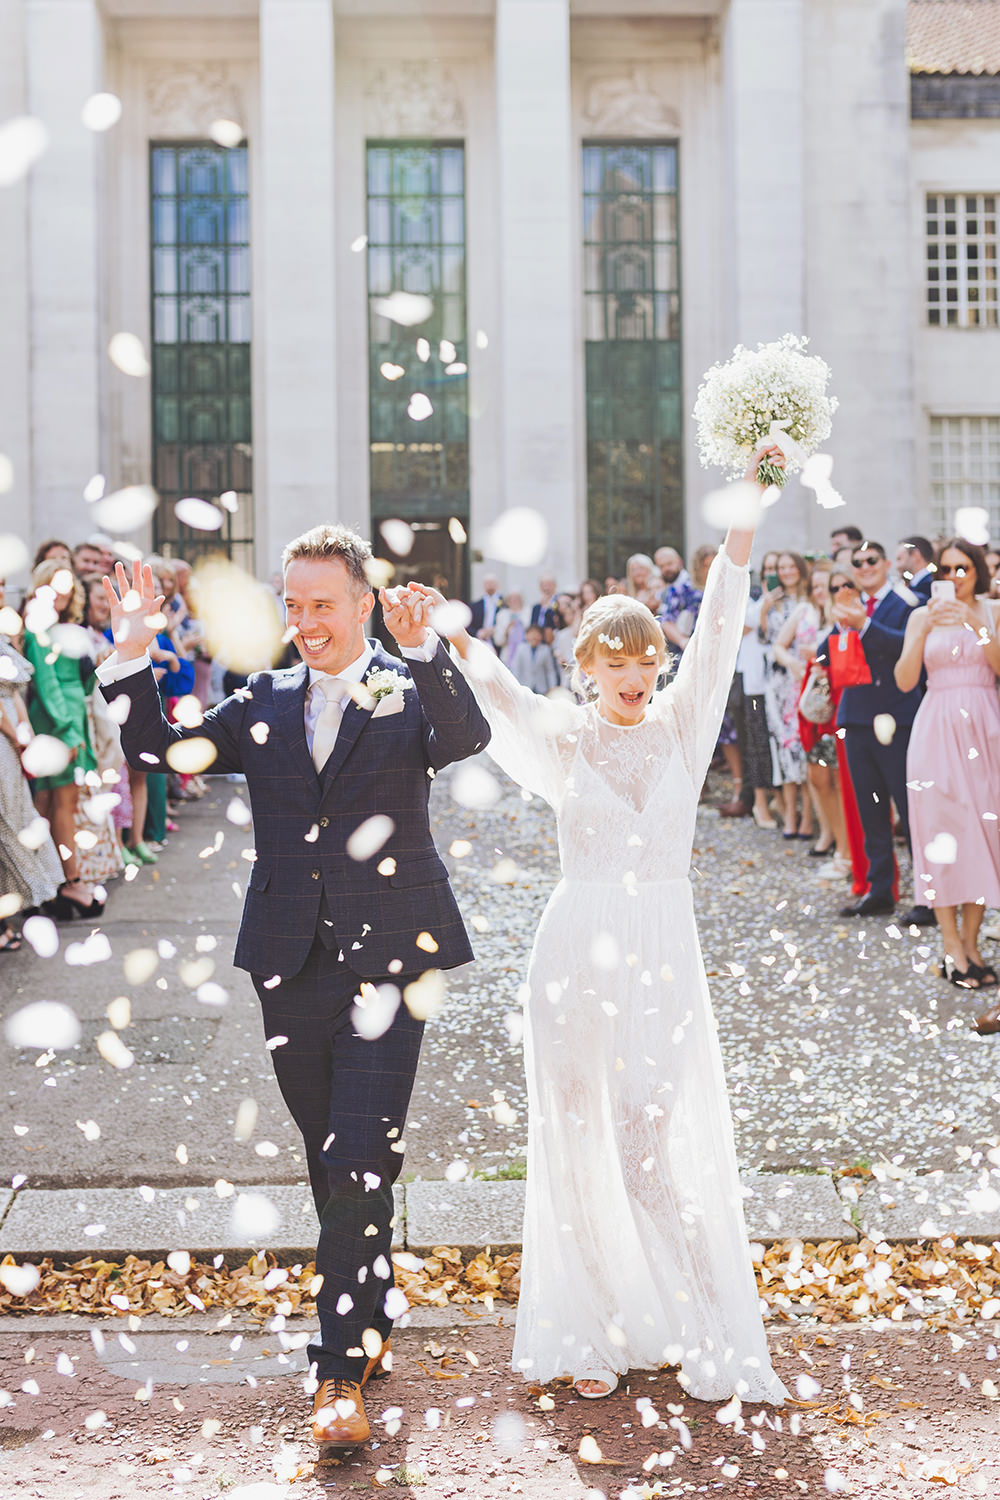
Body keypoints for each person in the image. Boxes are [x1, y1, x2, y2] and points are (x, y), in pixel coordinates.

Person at [97, 526, 490, 1454]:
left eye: (325, 605)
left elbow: (468, 734)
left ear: (364, 604)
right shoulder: (262, 699)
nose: (307, 622)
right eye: (295, 604)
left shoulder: (404, 690)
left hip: (395, 959)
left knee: (358, 1156)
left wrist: (425, 646)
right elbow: (161, 749)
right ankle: (371, 1299)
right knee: (332, 1154)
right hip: (289, 959)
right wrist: (131, 645)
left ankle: (336, 1373)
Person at [421, 443, 789, 1406]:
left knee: (645, 1142)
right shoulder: (561, 737)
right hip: (573, 952)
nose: (634, 676)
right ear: (584, 668)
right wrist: (450, 635)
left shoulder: (684, 723)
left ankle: (704, 1321)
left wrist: (747, 508)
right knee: (578, 1139)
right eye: (615, 663)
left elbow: (720, 619)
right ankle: (588, 1329)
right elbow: (496, 694)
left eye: (645, 661)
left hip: (664, 957)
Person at [895, 538, 1000, 1019]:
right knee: (941, 831)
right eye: (949, 569)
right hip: (935, 725)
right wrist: (922, 631)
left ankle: (974, 947)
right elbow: (903, 680)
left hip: (985, 726)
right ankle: (951, 947)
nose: (956, 577)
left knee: (985, 832)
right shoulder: (921, 615)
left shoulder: (991, 611)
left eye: (964, 568)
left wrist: (976, 622)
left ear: (977, 571)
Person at [822, 540, 932, 925]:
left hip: (897, 717)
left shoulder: (907, 602)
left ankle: (929, 896)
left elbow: (909, 648)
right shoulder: (849, 604)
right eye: (858, 562)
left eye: (871, 560)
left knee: (910, 809)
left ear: (886, 563)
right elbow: (824, 653)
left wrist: (864, 626)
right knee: (871, 811)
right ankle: (880, 889)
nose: (865, 566)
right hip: (855, 718)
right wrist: (839, 623)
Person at [21, 560, 101, 918]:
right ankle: (69, 880)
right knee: (57, 801)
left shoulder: (64, 627)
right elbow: (47, 683)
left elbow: (79, 682)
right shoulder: (40, 627)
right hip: (55, 721)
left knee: (53, 802)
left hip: (70, 715)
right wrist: (67, 729)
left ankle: (45, 882)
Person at [0, 582, 63, 948]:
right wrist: (15, 735)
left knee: (16, 818)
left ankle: (11, 916)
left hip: (12, 739)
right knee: (7, 825)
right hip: (3, 740)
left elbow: (14, 694)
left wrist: (26, 735)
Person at [760, 552, 813, 840]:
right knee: (783, 745)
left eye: (792, 566)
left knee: (803, 746)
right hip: (778, 681)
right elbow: (764, 640)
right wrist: (764, 609)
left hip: (804, 677)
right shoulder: (773, 601)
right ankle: (790, 813)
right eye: (782, 567)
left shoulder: (811, 598)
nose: (787, 571)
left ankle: (808, 816)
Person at [510, 621, 559, 695]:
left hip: (541, 689)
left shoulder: (545, 649)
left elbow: (550, 671)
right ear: (526, 636)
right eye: (531, 634)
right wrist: (515, 686)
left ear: (541, 636)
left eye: (537, 634)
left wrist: (553, 687)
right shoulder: (521, 648)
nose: (534, 637)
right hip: (524, 687)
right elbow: (516, 668)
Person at [895, 536, 935, 603]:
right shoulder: (917, 584)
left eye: (900, 559)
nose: (897, 566)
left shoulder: (928, 587)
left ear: (916, 555)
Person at [468, 574, 503, 646]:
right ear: (483, 586)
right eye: (487, 583)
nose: (490, 586)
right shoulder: (475, 606)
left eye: (492, 583)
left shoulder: (504, 604)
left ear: (497, 585)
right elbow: (468, 626)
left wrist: (495, 630)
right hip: (480, 643)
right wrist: (478, 633)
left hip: (498, 644)